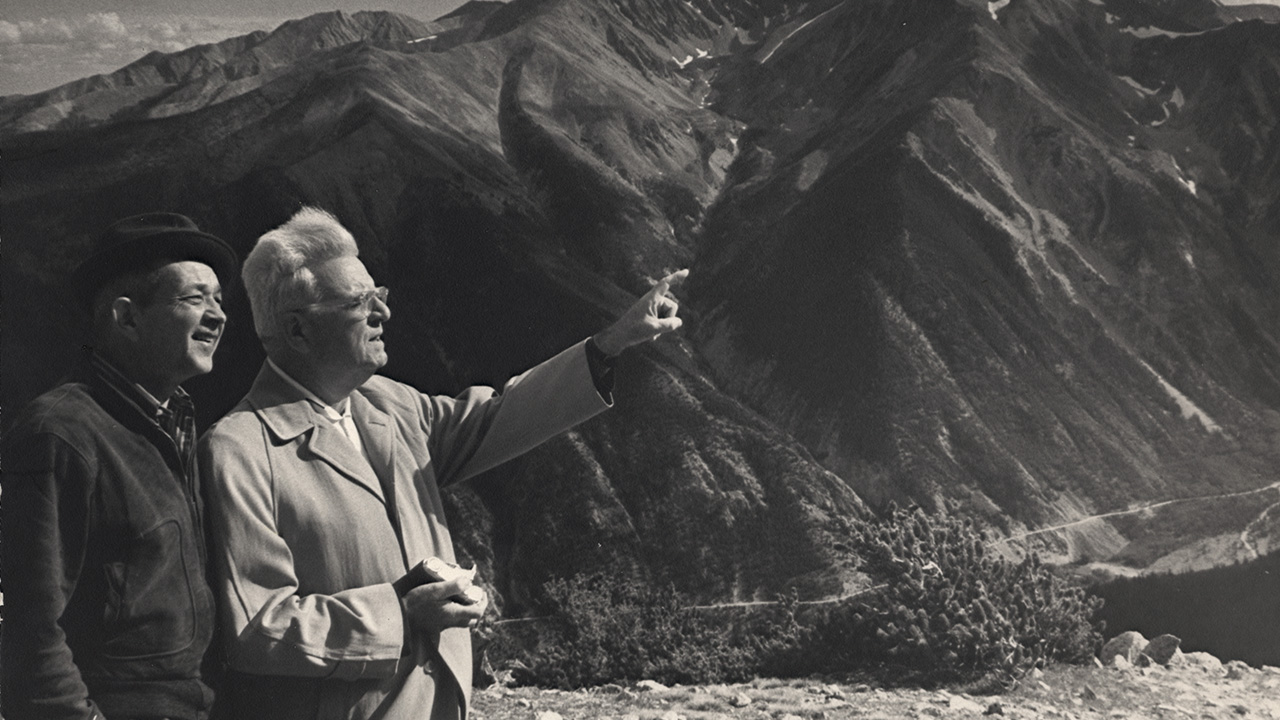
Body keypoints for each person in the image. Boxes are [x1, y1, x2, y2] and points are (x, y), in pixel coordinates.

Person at [198, 206, 685, 720]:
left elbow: (497, 418)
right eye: (361, 303)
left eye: (379, 296)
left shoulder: (387, 404)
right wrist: (401, 614)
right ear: (298, 331)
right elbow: (258, 629)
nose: (384, 314)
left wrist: (611, 343)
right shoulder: (239, 449)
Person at [1, 213, 238, 720]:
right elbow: (30, 628)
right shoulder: (60, 432)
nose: (218, 316)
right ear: (126, 317)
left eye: (219, 298)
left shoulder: (174, 423)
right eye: (195, 299)